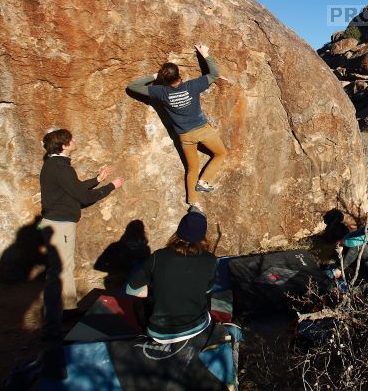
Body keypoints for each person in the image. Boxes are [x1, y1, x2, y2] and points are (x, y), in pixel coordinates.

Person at [39, 128, 124, 338]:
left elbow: (73, 188)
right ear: (64, 144)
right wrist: (111, 186)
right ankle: (52, 325)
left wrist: (97, 179)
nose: (74, 140)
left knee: (64, 268)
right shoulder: (61, 168)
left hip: (55, 223)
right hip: (60, 225)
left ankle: (68, 311)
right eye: (71, 139)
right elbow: (83, 198)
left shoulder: (53, 165)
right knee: (59, 272)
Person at [127, 44, 227, 206]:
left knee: (192, 169)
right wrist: (205, 54)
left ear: (163, 79)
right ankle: (203, 182)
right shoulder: (191, 86)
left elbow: (133, 86)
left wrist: (156, 75)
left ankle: (193, 202)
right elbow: (215, 74)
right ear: (179, 75)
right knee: (221, 154)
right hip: (203, 130)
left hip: (185, 136)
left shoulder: (160, 92)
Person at [126, 206, 217, 343]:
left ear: (178, 231)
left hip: (160, 333)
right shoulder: (211, 260)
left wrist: (155, 290)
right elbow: (207, 291)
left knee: (138, 303)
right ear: (203, 235)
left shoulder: (157, 256)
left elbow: (131, 289)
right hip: (197, 327)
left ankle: (144, 332)